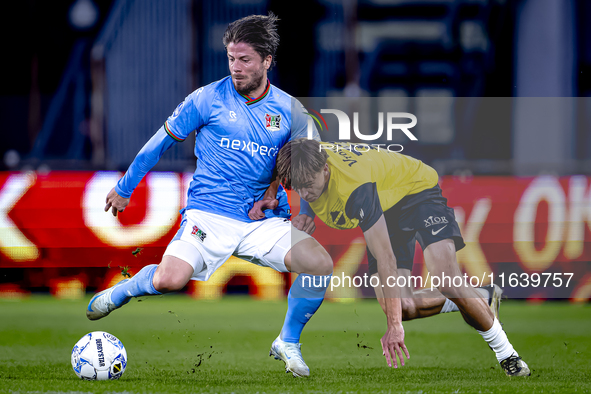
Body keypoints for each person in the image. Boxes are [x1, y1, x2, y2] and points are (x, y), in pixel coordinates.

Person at [86, 14, 333, 378]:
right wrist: (124, 188)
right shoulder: (206, 98)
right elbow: (158, 144)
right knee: (170, 280)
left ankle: (288, 341)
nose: (236, 67)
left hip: (260, 218)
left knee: (320, 265)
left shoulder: (291, 110)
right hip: (209, 214)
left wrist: (303, 209)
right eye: (231, 58)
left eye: (245, 59)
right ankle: (123, 292)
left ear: (267, 61)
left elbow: (307, 164)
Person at [275, 139, 531, 377]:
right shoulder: (304, 157)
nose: (304, 193)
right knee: (404, 307)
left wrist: (394, 327)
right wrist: (307, 212)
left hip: (417, 191)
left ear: (326, 169)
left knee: (446, 280)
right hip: (385, 204)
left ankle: (508, 354)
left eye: (309, 185)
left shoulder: (355, 189)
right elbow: (292, 175)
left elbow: (385, 256)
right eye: (298, 188)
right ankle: (482, 296)